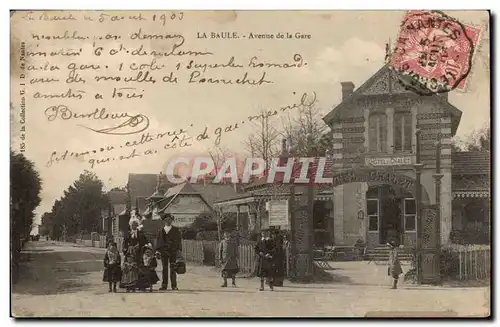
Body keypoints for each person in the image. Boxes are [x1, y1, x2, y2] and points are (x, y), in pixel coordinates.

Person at [155, 213, 182, 291]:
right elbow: (158, 241)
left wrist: (179, 250)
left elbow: (178, 241)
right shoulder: (161, 230)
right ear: (164, 221)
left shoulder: (176, 230)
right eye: (166, 220)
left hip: (173, 251)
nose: (168, 221)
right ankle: (164, 285)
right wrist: (157, 250)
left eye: (170, 220)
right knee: (164, 269)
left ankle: (174, 285)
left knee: (173, 269)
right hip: (163, 252)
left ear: (172, 221)